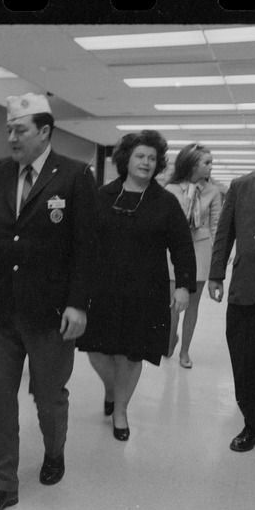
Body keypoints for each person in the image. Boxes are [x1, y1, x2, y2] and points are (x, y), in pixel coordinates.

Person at [0, 93, 98, 510]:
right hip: (1, 310)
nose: (11, 137)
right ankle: (3, 484)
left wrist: (78, 305)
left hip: (51, 314)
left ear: (44, 132)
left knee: (48, 397)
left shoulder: (75, 177)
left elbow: (86, 249)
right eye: (8, 129)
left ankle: (54, 451)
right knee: (0, 398)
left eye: (19, 130)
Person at [77, 130, 195, 441]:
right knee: (96, 349)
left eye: (152, 158)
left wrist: (183, 286)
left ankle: (120, 411)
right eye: (140, 156)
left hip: (145, 290)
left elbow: (182, 247)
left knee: (131, 353)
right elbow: (84, 242)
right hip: (102, 289)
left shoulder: (165, 203)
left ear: (158, 164)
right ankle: (112, 389)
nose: (145, 162)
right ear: (126, 159)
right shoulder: (102, 196)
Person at [209, 119, 255, 452]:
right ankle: (253, 425)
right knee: (246, 359)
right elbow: (225, 233)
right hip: (247, 285)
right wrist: (215, 274)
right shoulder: (241, 185)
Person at [165, 143, 222, 368]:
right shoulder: (170, 189)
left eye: (211, 162)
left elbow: (216, 225)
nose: (210, 167)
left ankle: (185, 352)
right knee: (173, 305)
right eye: (206, 162)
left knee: (192, 306)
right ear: (191, 164)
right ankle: (170, 340)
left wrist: (219, 255)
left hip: (200, 250)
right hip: (173, 252)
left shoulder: (213, 191)